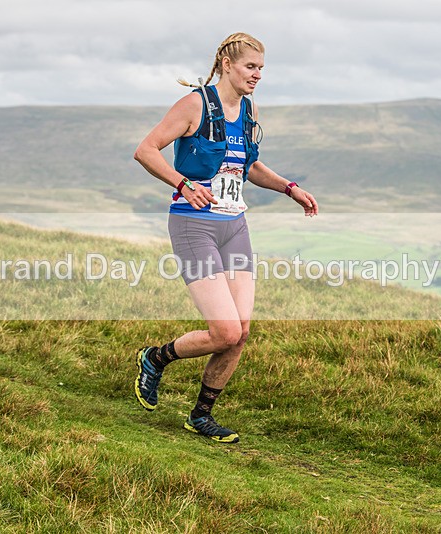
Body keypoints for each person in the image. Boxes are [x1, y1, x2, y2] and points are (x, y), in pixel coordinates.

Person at [132, 32, 318, 444]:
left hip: (234, 226)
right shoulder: (194, 104)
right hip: (193, 224)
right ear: (227, 65)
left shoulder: (247, 109)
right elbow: (146, 150)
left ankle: (200, 416)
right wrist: (182, 183)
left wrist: (290, 188)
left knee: (242, 330)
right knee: (225, 331)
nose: (257, 76)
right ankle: (155, 358)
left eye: (261, 69)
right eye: (251, 67)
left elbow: (249, 167)